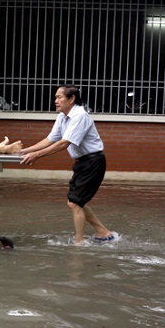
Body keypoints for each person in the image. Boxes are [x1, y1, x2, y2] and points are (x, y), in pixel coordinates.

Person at [20, 85, 114, 245]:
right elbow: (51, 139)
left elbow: (64, 143)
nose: (55, 101)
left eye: (59, 97)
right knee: (76, 201)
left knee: (74, 202)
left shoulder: (80, 116)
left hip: (93, 161)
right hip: (83, 162)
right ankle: (103, 232)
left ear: (71, 99)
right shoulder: (62, 116)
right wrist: (25, 151)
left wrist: (36, 155)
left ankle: (79, 243)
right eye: (55, 97)